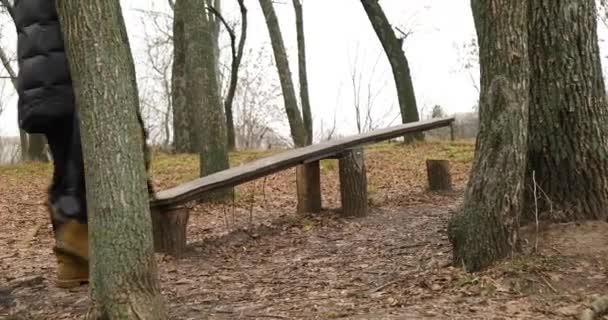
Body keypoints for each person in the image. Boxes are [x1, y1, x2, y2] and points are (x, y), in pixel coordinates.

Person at [13, 0, 154, 288]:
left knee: (68, 170)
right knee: (75, 173)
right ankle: (75, 255)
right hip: (64, 83)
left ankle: (72, 262)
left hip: (45, 86)